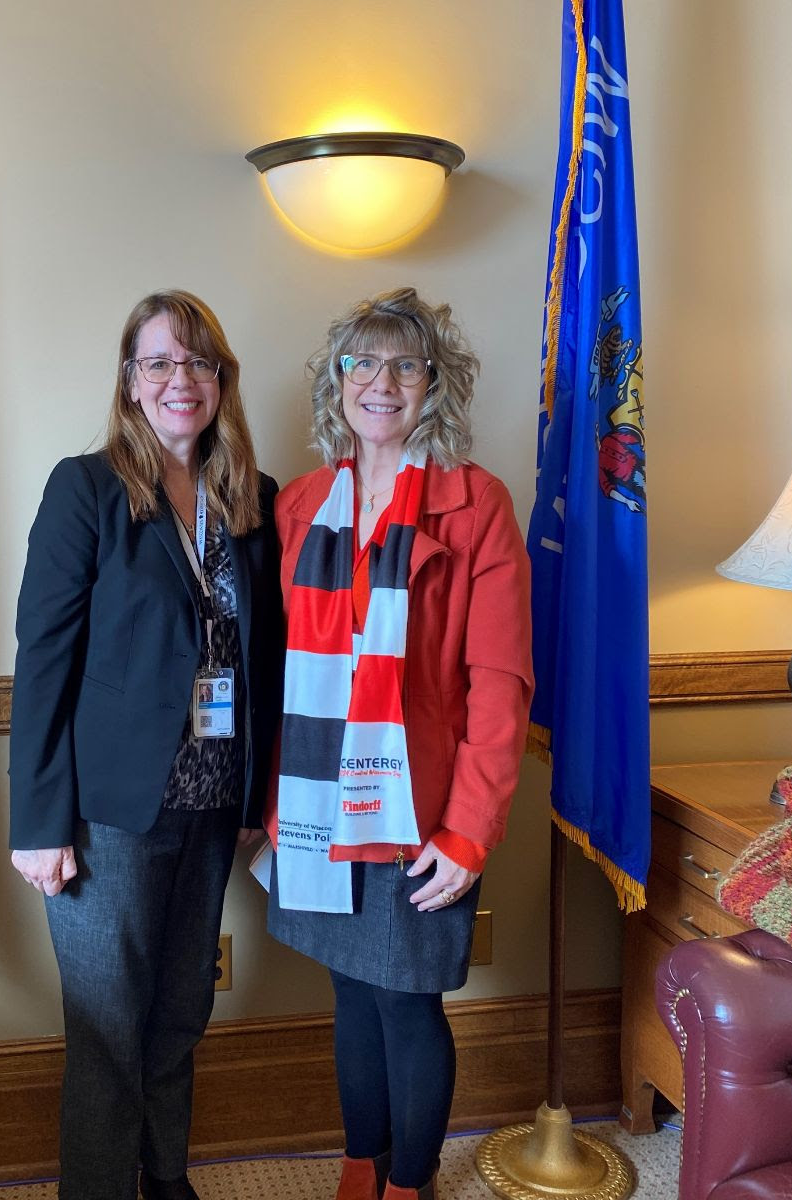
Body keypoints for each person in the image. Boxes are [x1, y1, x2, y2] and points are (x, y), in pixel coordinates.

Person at [9, 290, 282, 1200]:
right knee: (106, 1036)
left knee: (179, 1021)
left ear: (221, 381)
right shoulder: (84, 489)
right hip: (107, 819)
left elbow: (271, 663)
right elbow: (43, 663)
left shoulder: (252, 500)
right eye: (159, 362)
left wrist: (262, 801)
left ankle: (168, 1186)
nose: (180, 380)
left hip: (211, 813)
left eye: (198, 363)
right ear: (130, 381)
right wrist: (37, 822)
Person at [265, 287, 533, 1200]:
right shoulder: (302, 504)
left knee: (405, 1000)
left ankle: (409, 1185)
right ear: (336, 381)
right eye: (362, 363)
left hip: (421, 811)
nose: (382, 383)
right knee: (349, 991)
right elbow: (285, 674)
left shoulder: (477, 505)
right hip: (313, 804)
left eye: (406, 365)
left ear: (436, 385)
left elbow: (499, 685)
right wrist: (271, 811)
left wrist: (469, 833)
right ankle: (357, 1168)